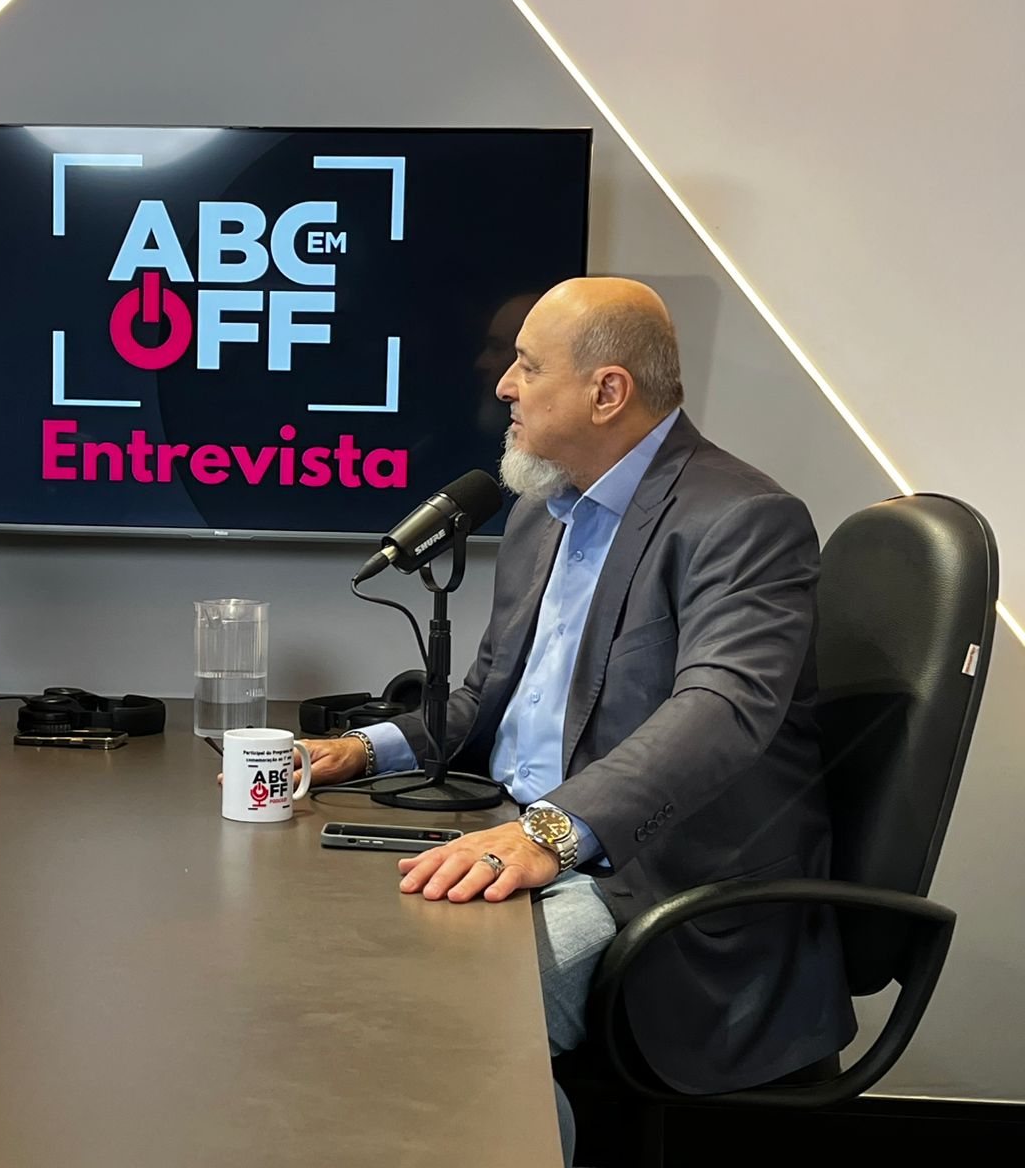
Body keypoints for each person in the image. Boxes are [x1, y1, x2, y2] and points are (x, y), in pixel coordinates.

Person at [301, 277, 855, 1162]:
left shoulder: (742, 518)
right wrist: (363, 749)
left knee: (445, 1028)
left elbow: (721, 708)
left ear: (607, 392)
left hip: (653, 875)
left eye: (527, 365)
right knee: (335, 978)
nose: (503, 385)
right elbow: (488, 694)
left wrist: (549, 834)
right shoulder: (540, 512)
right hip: (519, 832)